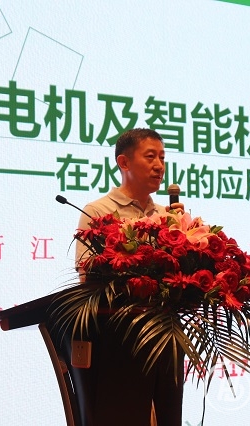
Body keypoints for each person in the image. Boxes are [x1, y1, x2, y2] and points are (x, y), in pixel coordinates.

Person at [71, 128, 184, 426]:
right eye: (151, 157)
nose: (159, 166)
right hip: (118, 340)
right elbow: (87, 272)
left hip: (164, 337)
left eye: (162, 158)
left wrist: (182, 235)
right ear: (124, 162)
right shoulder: (98, 211)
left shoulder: (168, 216)